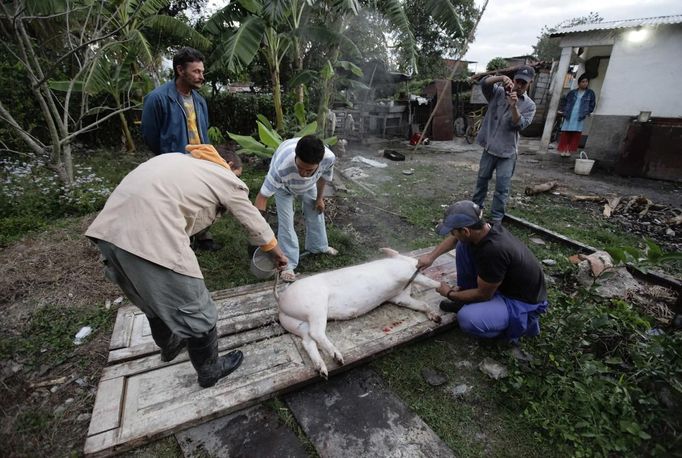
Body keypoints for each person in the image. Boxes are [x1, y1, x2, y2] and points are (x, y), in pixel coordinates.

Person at [85, 144, 288, 388]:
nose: (237, 180)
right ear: (230, 165)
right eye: (238, 174)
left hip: (109, 235)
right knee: (198, 309)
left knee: (152, 301)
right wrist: (276, 253)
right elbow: (255, 222)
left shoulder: (174, 160)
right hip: (152, 239)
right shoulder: (223, 175)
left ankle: (170, 346)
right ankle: (210, 370)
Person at [417, 200, 548, 341]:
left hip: (519, 300)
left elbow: (483, 294)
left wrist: (449, 293)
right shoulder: (484, 228)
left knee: (468, 319)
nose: (452, 234)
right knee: (462, 245)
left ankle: (503, 330)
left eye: (453, 231)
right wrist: (431, 257)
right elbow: (455, 239)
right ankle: (465, 298)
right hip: (502, 284)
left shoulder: (493, 251)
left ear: (465, 231)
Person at [141, 47, 217, 251]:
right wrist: (167, 155)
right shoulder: (158, 98)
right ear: (180, 70)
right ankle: (180, 241)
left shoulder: (199, 101)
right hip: (174, 162)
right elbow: (150, 134)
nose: (201, 76)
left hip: (200, 159)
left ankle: (202, 234)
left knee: (203, 198)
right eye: (196, 71)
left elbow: (204, 129)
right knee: (176, 203)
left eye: (202, 71)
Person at [255, 135, 338, 282]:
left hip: (310, 185)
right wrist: (257, 225)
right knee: (286, 223)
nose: (303, 173)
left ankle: (319, 246)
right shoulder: (281, 167)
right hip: (284, 187)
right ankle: (288, 264)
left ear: (319, 162)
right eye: (300, 167)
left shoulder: (329, 158)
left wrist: (319, 199)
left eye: (309, 170)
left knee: (316, 213)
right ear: (296, 157)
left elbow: (324, 177)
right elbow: (262, 197)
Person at [471, 65, 537, 222]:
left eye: (524, 83)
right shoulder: (498, 92)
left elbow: (519, 125)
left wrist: (514, 107)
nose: (519, 86)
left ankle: (496, 219)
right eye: (517, 81)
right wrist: (500, 77)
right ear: (513, 80)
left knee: (502, 188)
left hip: (507, 152)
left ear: (530, 84)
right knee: (482, 180)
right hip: (490, 147)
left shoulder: (530, 105)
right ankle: (474, 211)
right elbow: (483, 83)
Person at [557, 74, 596, 157]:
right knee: (566, 132)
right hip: (569, 114)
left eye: (586, 82)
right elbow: (564, 101)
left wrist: (587, 112)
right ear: (579, 83)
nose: (585, 83)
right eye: (583, 82)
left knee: (575, 133)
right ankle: (563, 149)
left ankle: (569, 150)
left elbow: (592, 104)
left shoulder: (590, 93)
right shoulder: (572, 92)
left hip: (580, 116)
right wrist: (562, 111)